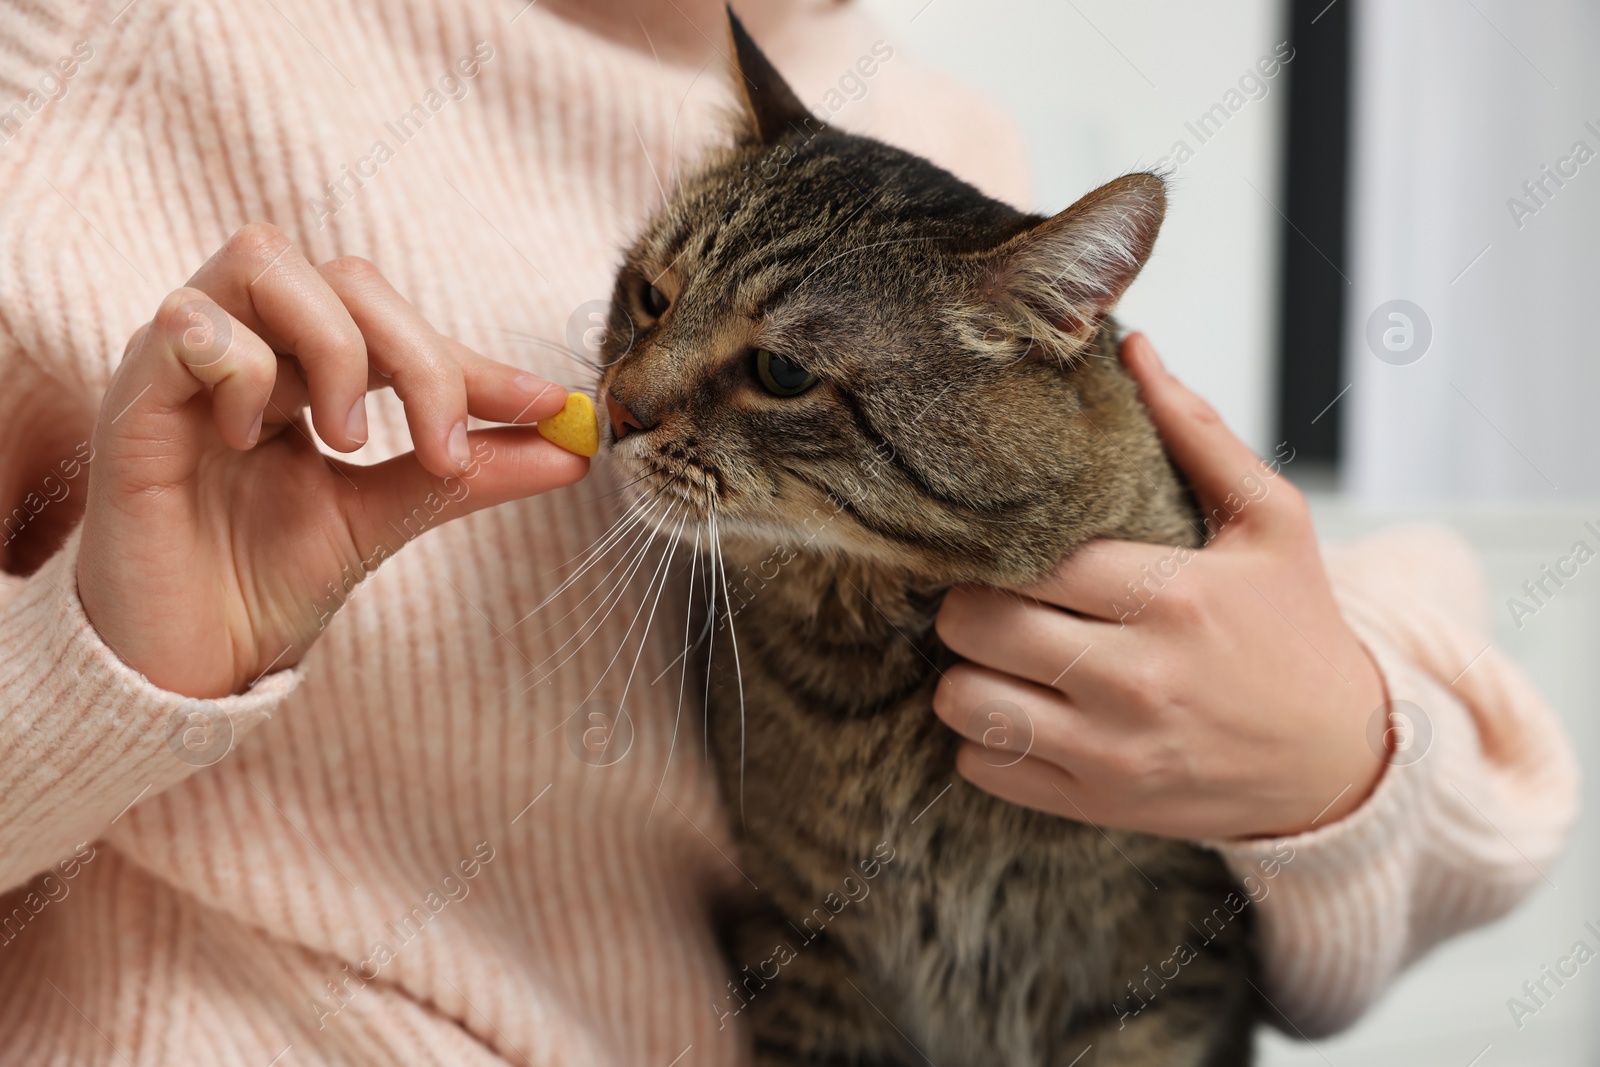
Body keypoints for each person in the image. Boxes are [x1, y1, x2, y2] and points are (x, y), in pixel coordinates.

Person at [0, 0, 1576, 1062]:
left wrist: (1341, 762)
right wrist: (103, 666)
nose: (629, 398)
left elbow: (1403, 815)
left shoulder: (937, 136)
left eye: (769, 371)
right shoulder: (82, 62)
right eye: (649, 306)